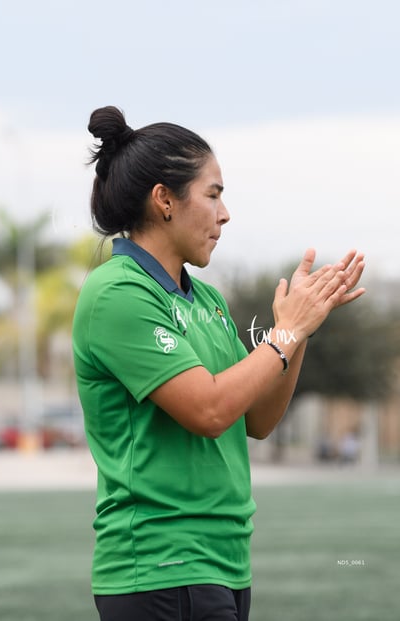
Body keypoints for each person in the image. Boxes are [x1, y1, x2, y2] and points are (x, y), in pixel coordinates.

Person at [72, 105, 365, 621]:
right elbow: (208, 411)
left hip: (224, 564)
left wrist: (300, 331)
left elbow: (258, 419)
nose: (225, 213)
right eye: (213, 194)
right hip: (161, 567)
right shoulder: (116, 292)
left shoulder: (205, 300)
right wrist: (286, 331)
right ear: (164, 199)